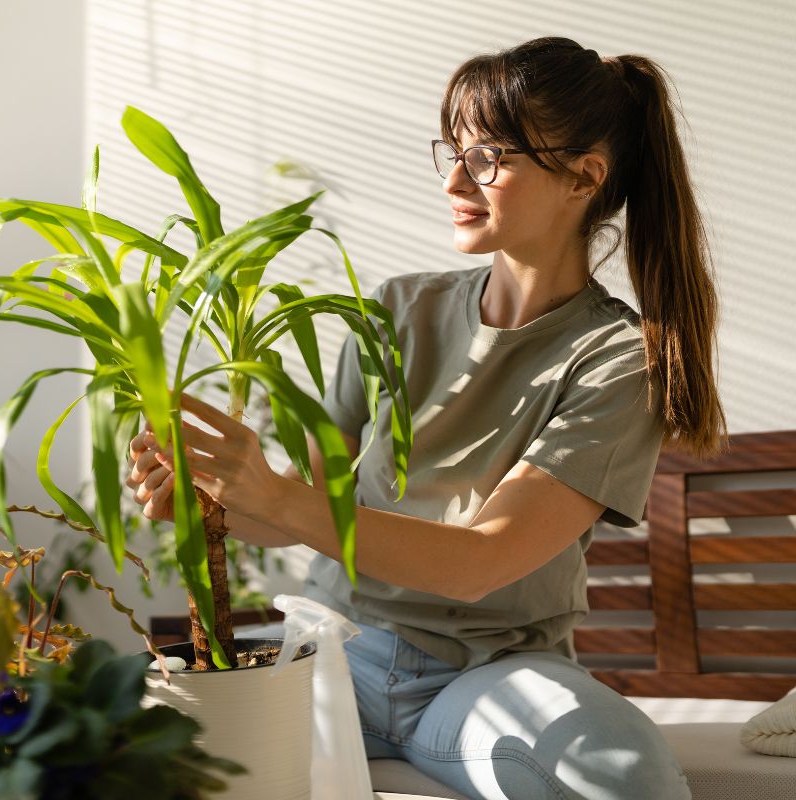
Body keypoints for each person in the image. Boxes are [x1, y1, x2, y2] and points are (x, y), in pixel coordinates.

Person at [125, 37, 728, 800]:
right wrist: (216, 498)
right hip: (336, 652)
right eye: (452, 150)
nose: (453, 179)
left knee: (627, 773)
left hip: (486, 677)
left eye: (489, 159)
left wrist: (279, 499)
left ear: (584, 176)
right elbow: (307, 511)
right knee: (102, 721)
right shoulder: (396, 309)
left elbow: (481, 560)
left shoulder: (617, 359)